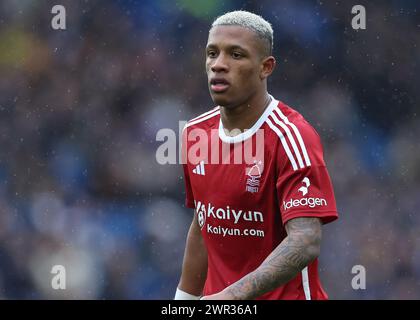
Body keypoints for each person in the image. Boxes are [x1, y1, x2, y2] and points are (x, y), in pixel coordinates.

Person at [175, 10, 338, 300]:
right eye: (212, 53)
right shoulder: (196, 133)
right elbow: (203, 224)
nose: (218, 65)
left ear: (266, 67)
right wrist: (184, 301)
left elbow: (305, 241)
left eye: (236, 55)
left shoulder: (291, 136)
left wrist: (229, 297)